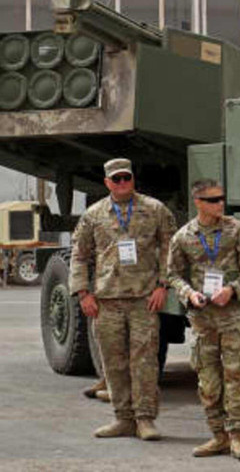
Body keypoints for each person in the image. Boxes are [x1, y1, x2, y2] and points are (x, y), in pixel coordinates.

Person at [69, 158, 175, 441]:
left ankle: (145, 419)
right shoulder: (93, 215)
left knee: (145, 361)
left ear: (133, 179)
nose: (122, 183)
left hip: (143, 299)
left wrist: (163, 285)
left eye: (126, 177)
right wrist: (83, 293)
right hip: (107, 301)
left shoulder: (155, 210)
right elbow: (79, 255)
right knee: (113, 363)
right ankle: (123, 418)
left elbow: (170, 248)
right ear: (107, 183)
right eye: (116, 179)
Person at [166, 179, 240, 461]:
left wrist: (233, 289)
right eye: (213, 200)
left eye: (221, 198)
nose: (220, 203)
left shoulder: (237, 230)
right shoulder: (183, 237)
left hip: (231, 317)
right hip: (202, 320)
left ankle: (237, 437)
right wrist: (189, 294)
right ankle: (218, 436)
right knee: (208, 381)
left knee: (236, 376)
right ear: (198, 202)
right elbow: (172, 274)